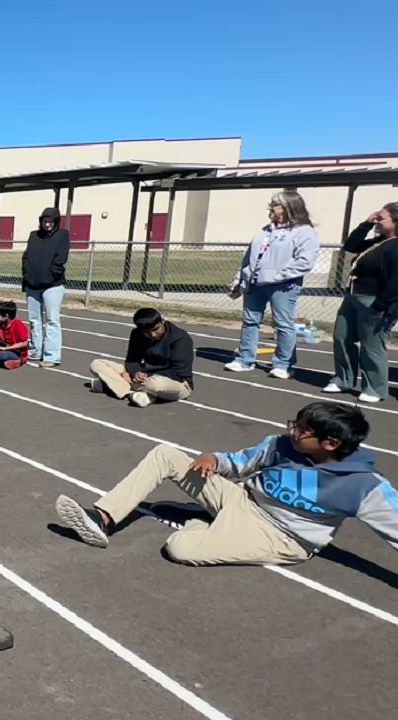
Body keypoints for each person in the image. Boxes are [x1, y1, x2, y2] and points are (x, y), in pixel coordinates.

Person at [54, 402, 397, 567]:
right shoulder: (279, 444)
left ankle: (199, 521)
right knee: (166, 455)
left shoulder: (365, 486)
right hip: (242, 501)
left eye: (303, 430)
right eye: (296, 423)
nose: (292, 431)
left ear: (331, 443)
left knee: (180, 549)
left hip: (281, 537)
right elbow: (239, 462)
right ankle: (102, 518)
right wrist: (215, 460)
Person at [226, 191, 321, 379]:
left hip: (283, 286)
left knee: (282, 324)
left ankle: (283, 364)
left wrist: (278, 276)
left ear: (289, 208)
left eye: (275, 204)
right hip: (254, 284)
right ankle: (245, 359)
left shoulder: (304, 232)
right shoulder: (265, 230)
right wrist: (240, 277)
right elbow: (249, 258)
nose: (271, 207)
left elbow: (304, 262)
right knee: (250, 322)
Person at [325, 202, 398, 403]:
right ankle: (343, 379)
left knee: (371, 345)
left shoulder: (395, 247)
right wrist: (365, 224)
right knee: (342, 337)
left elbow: (395, 282)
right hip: (353, 297)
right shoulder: (377, 241)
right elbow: (351, 245)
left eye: (381, 218)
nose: (377, 220)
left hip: (374, 301)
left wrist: (381, 306)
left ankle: (374, 388)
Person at [90, 308, 194, 407]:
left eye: (156, 329)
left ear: (162, 321)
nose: (152, 335)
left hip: (175, 382)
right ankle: (131, 394)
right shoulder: (137, 334)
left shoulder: (180, 339)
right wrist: (134, 372)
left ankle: (113, 386)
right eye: (147, 332)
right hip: (143, 376)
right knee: (97, 364)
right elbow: (132, 359)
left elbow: (179, 372)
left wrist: (147, 375)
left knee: (156, 385)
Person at [21, 207, 69, 367]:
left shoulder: (62, 235)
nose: (47, 224)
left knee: (52, 320)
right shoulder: (34, 235)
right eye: (45, 221)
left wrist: (50, 275)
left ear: (56, 222)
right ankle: (35, 350)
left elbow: (61, 258)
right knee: (34, 320)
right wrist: (26, 275)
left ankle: (51, 355)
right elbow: (26, 256)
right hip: (32, 285)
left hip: (52, 285)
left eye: (50, 221)